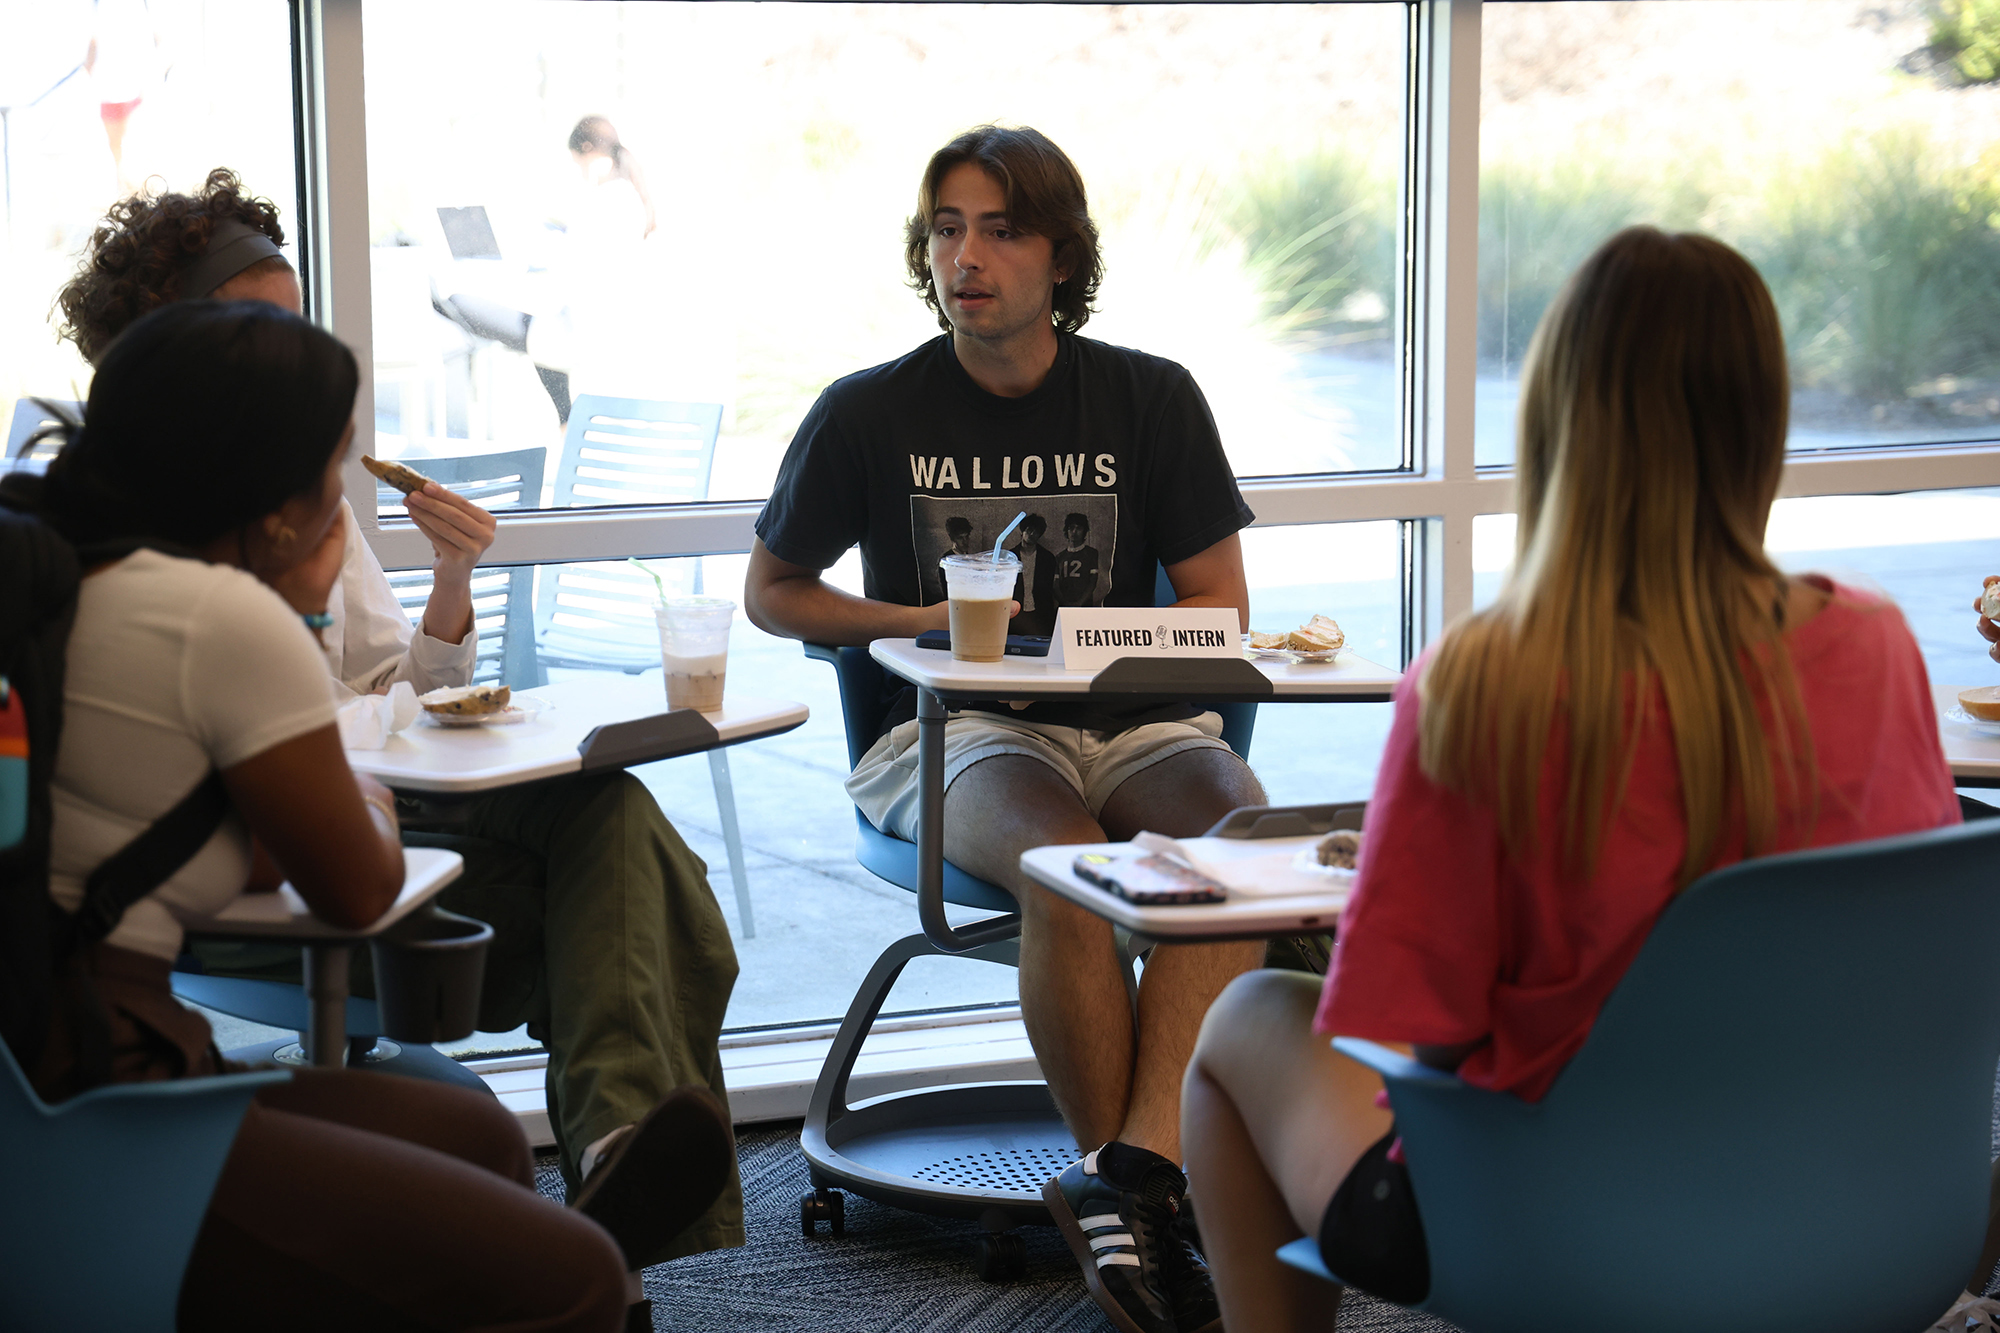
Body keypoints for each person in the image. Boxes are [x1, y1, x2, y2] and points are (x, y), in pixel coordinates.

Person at [1180, 227, 1965, 1332]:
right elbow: (1883, 935)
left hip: (1553, 1227)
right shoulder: (1875, 641)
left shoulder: (1479, 686)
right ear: (1763, 420)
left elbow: (1418, 1040)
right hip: (1851, 1193)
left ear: (1554, 418)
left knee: (1249, 1014)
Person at [53, 170, 747, 1268]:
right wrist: (326, 675)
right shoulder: (209, 592)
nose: (290, 379)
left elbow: (401, 689)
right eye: (251, 339)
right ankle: (606, 1206)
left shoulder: (211, 529)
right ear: (173, 363)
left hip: (328, 832)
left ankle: (615, 1153)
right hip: (261, 896)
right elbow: (336, 827)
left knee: (609, 821)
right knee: (635, 894)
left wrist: (449, 581)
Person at [745, 123, 1263, 1333]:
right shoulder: (866, 412)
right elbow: (774, 593)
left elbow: (1218, 606)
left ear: (1059, 254)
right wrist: (916, 618)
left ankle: (1124, 1184)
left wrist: (1096, 649)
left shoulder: (1150, 395)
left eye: (999, 227)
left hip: (1134, 724)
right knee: (1070, 871)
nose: (964, 255)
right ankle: (1140, 1195)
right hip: (947, 731)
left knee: (1248, 851)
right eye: (945, 227)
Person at [569, 115, 658, 239]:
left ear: (587, 148)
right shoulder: (626, 187)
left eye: (579, 163)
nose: (581, 172)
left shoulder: (612, 193)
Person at [1008, 512, 1058, 637]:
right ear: (1022, 531)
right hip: (1015, 612)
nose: (1032, 534)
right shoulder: (1010, 556)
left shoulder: (1047, 558)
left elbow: (1049, 588)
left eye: (1036, 532)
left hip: (1040, 612)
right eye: (1029, 530)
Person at [1055, 510, 1105, 608]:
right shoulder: (1059, 557)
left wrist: (1080, 603)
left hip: (1085, 605)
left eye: (1079, 528)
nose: (1074, 532)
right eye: (1071, 528)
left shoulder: (1091, 553)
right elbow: (1055, 585)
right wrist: (1065, 603)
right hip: (1064, 606)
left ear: (1084, 531)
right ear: (1066, 531)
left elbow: (1092, 582)